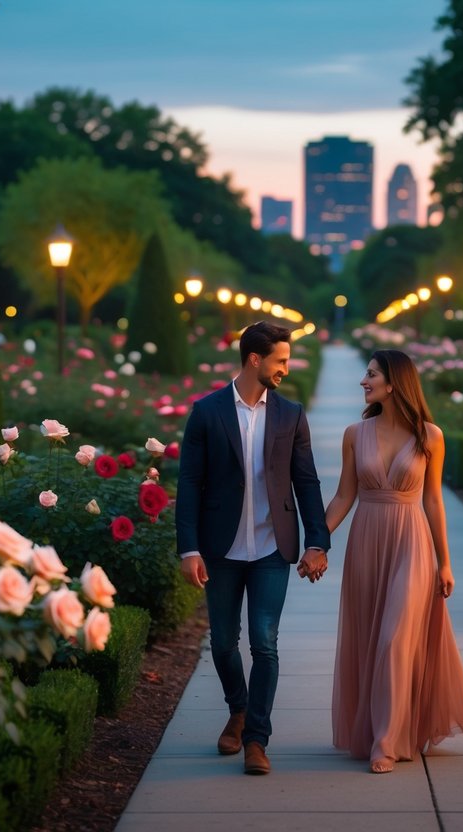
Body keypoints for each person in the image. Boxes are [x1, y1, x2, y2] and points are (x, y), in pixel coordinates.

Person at [175, 321, 330, 776]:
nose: (287, 367)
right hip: (220, 550)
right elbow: (189, 484)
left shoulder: (290, 414)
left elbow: (306, 481)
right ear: (255, 359)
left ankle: (257, 740)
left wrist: (317, 540)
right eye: (281, 360)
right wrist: (189, 549)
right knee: (223, 642)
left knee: (265, 643)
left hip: (270, 548)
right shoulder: (206, 412)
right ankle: (238, 710)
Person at [325, 349, 463, 774]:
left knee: (395, 639)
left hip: (411, 543)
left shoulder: (430, 436)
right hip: (367, 541)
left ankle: (386, 741)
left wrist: (444, 562)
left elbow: (433, 500)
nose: (364, 381)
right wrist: (317, 543)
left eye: (371, 374)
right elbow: (344, 496)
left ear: (393, 383)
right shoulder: (355, 434)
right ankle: (381, 729)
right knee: (369, 638)